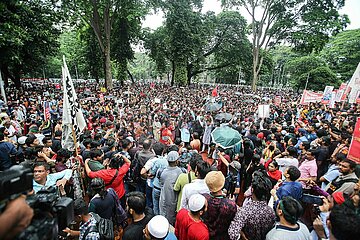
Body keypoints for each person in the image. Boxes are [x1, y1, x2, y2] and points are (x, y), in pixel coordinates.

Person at [228, 171, 275, 240]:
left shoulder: (245, 211)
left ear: (252, 190)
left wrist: (242, 235)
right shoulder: (271, 211)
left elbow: (233, 234)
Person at [202, 171, 237, 240]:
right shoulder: (229, 205)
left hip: (206, 234)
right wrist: (231, 201)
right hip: (222, 237)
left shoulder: (203, 198)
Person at [159, 151, 183, 225]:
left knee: (163, 213)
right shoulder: (179, 172)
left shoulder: (163, 171)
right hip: (173, 197)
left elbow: (161, 182)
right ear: (176, 161)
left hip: (164, 196)